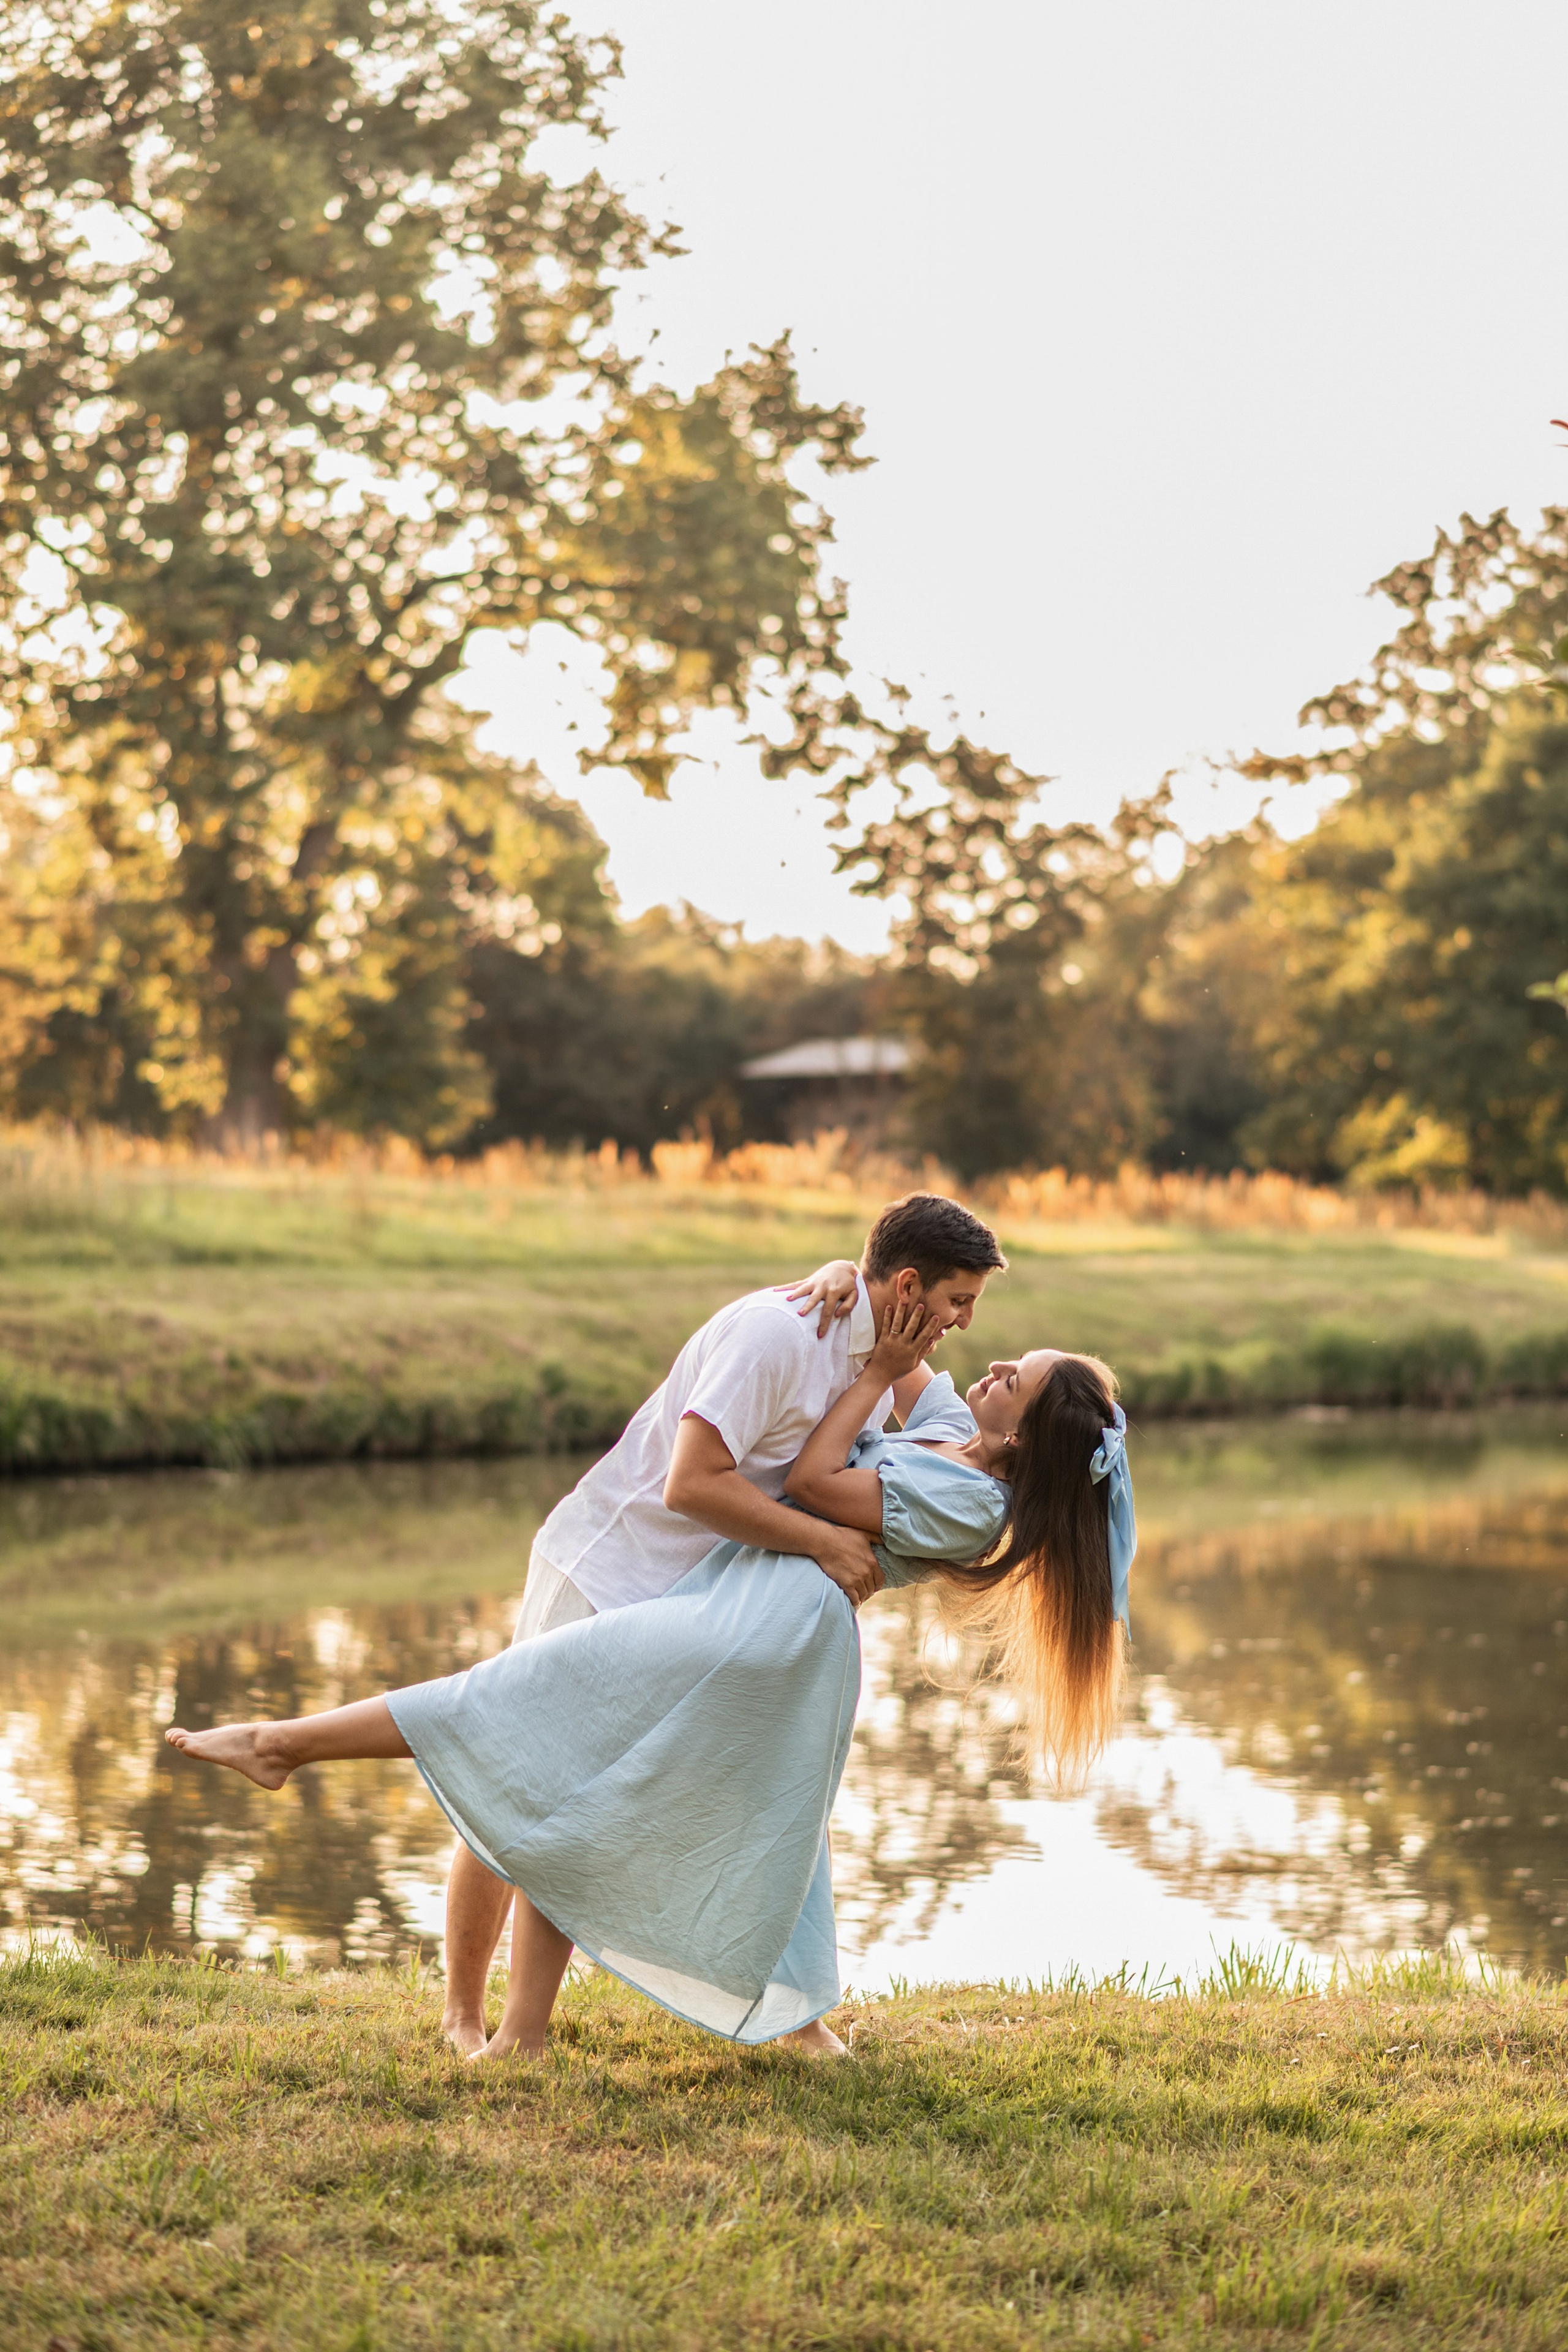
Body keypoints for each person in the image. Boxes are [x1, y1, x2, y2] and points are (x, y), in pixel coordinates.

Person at [165, 1295, 1137, 2059]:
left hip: (757, 1633)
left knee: (510, 1709)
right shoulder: (951, 1443)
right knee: (612, 1777)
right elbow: (902, 1349)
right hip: (745, 1614)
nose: (996, 1362)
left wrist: (873, 1373)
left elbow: (811, 1480)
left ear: (1021, 1441)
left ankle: (283, 1746)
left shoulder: (968, 1499)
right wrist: (846, 1289)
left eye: (1018, 1375)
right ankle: (557, 2028)